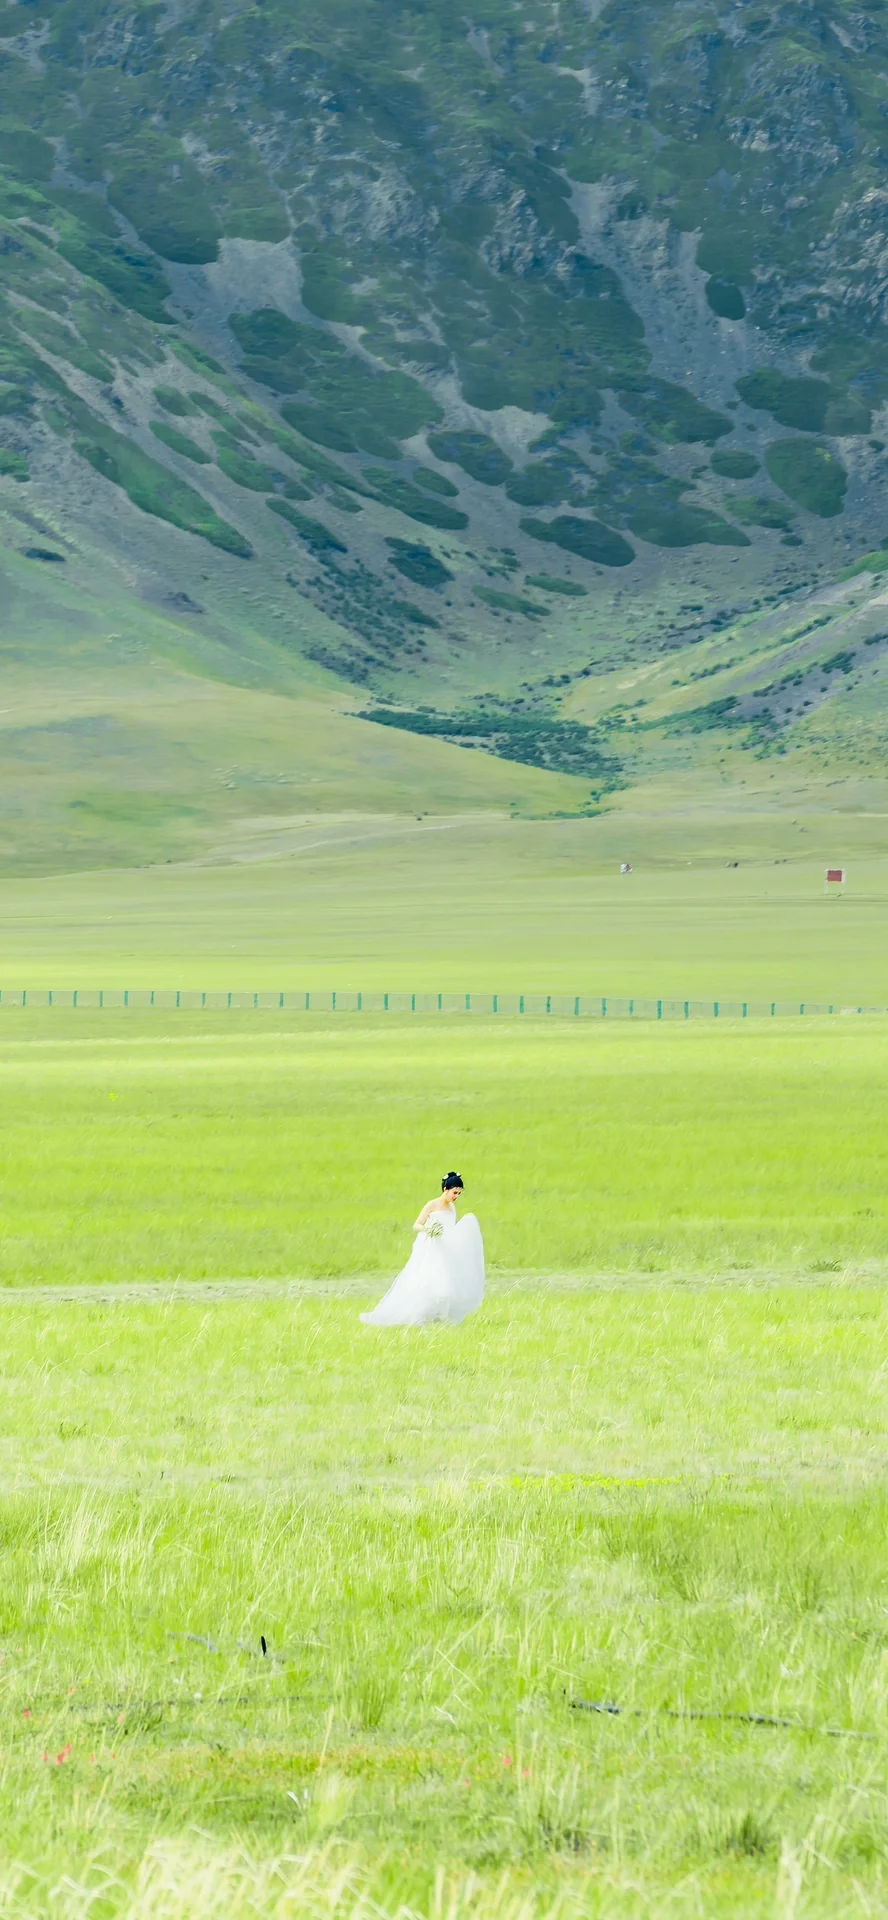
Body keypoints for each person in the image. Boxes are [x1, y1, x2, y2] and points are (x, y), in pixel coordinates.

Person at [360, 1172, 485, 1327]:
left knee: (446, 1283)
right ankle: (419, 1316)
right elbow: (417, 1224)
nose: (456, 1196)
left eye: (459, 1194)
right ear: (446, 1189)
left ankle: (441, 1316)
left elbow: (450, 1227)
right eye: (454, 1192)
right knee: (426, 1280)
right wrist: (429, 1228)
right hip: (430, 1247)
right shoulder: (432, 1205)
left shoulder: (452, 1208)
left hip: (445, 1249)